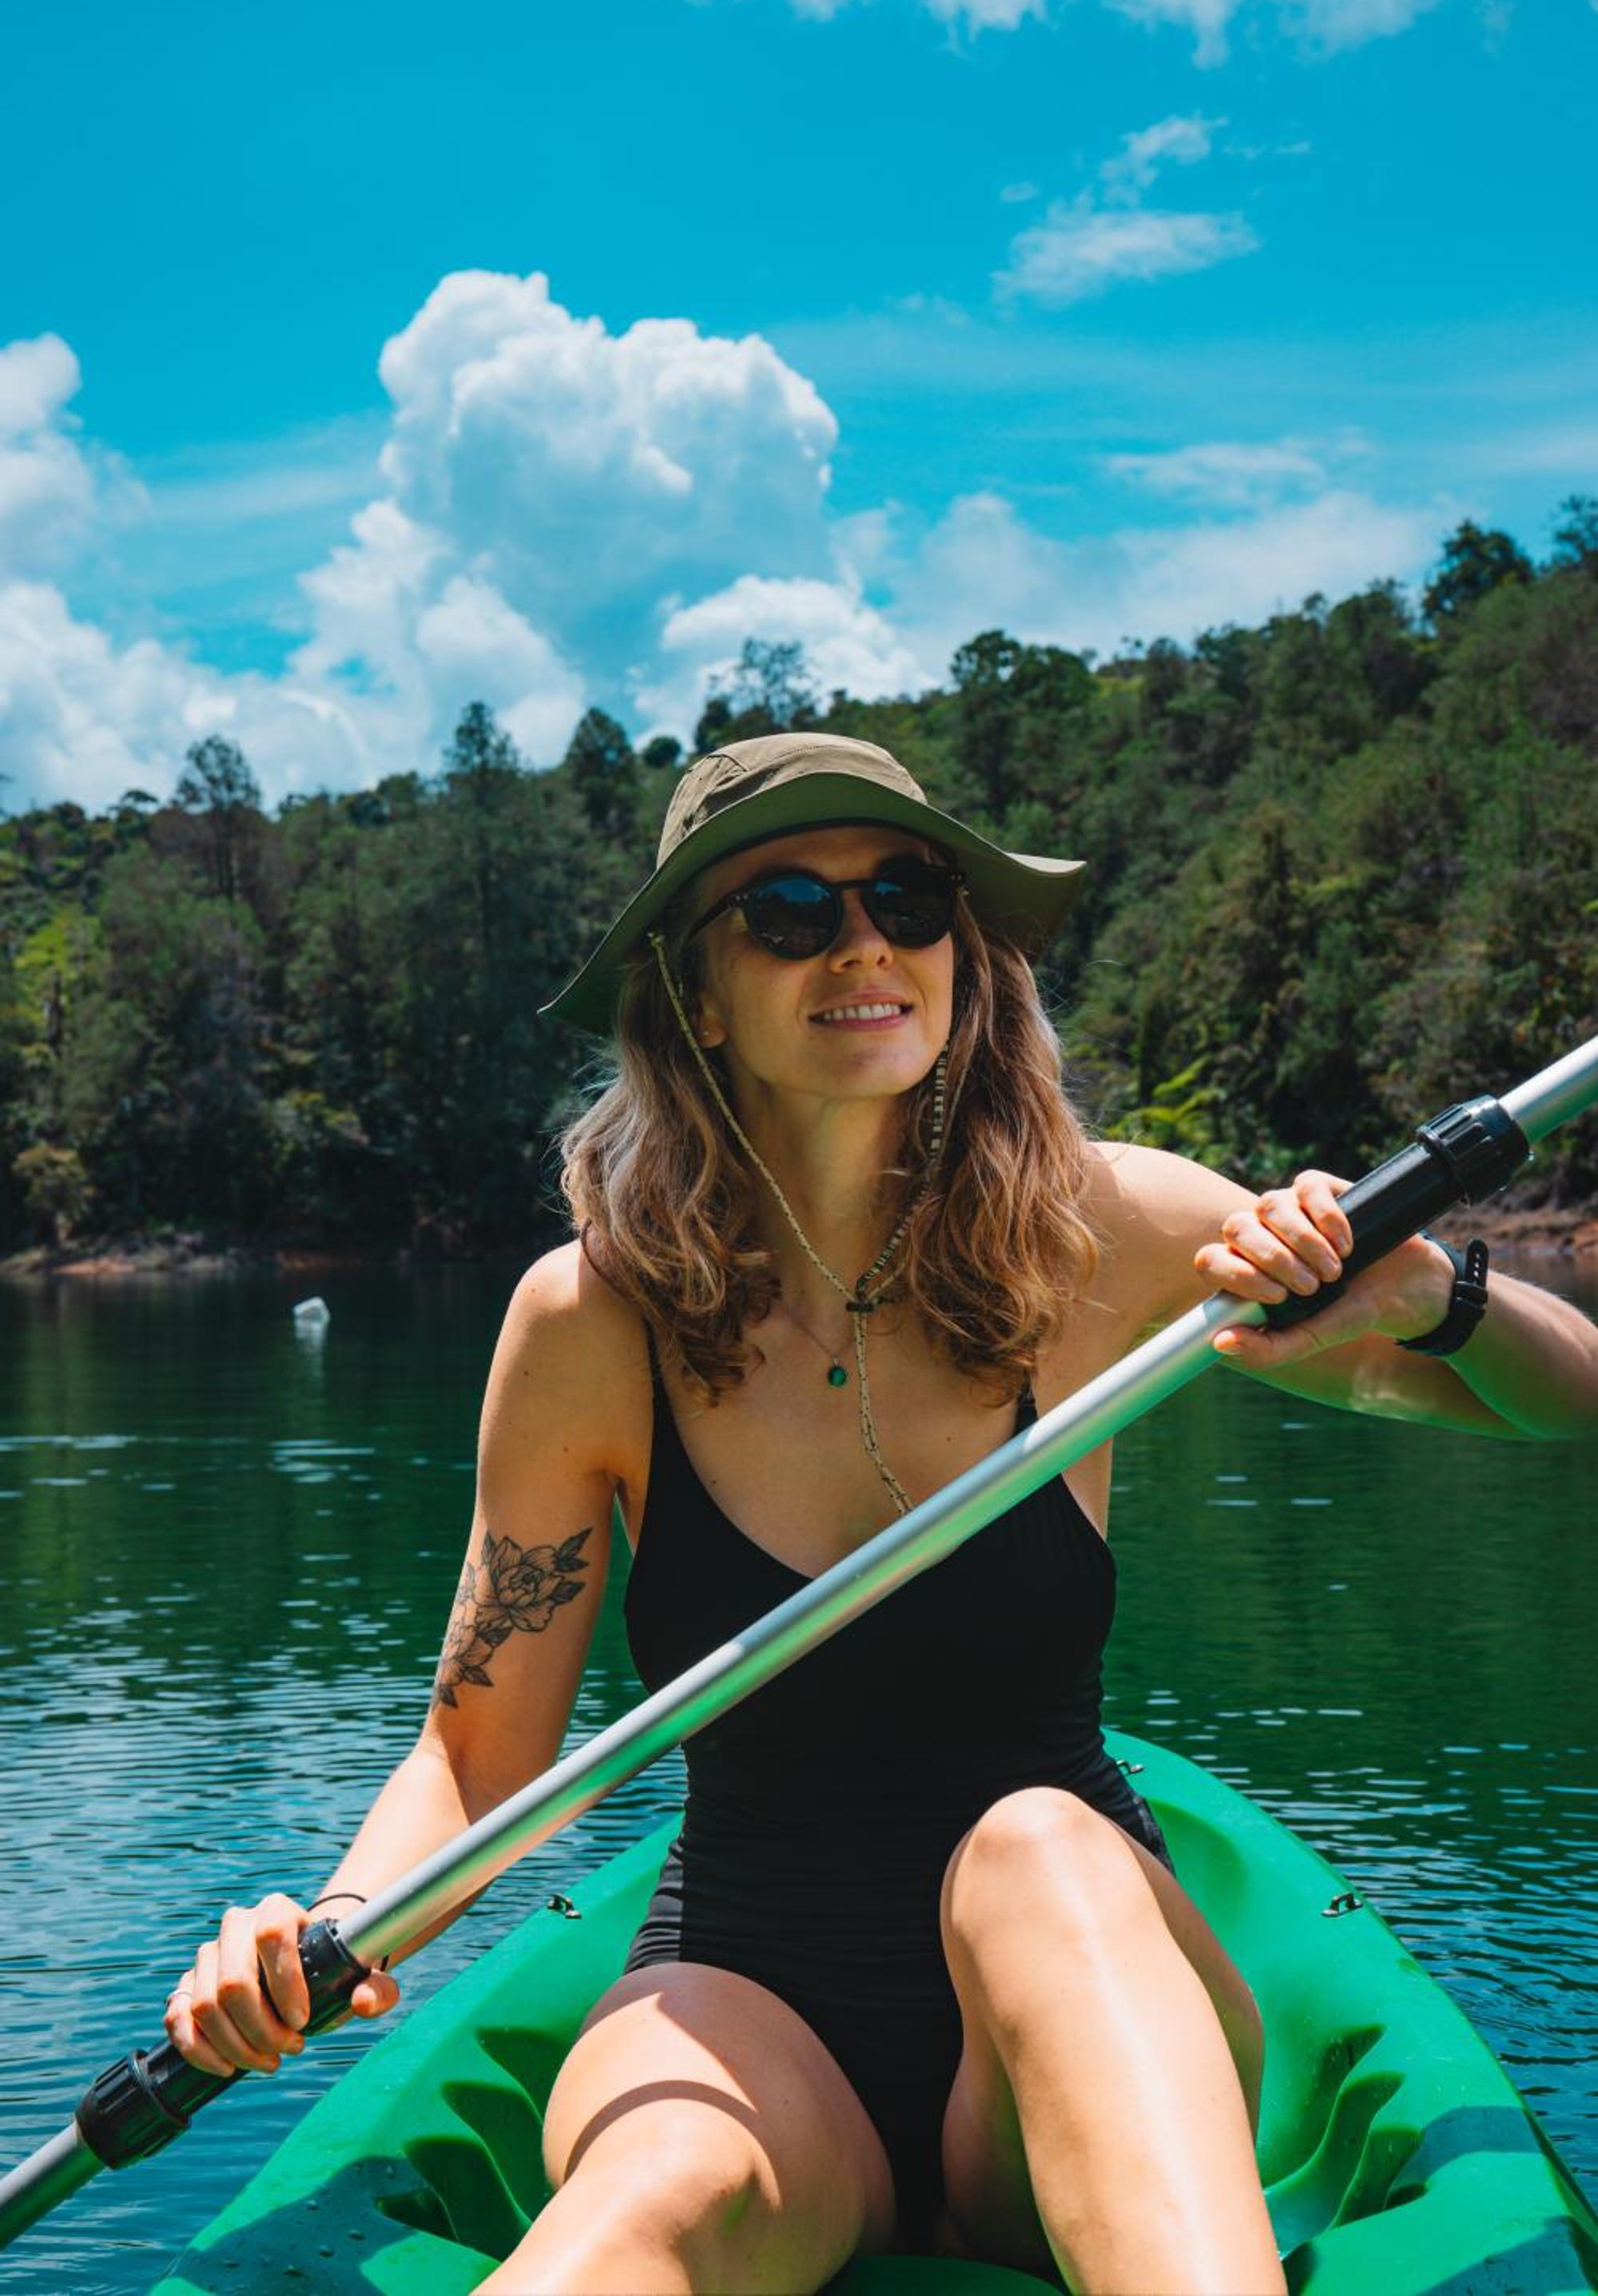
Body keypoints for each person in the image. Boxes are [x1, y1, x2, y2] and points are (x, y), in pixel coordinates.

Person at [165, 733, 1598, 2294]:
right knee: (652, 2196)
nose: (861, 944)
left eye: (906, 898)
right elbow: (476, 1753)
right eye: (788, 909)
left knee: (1037, 1847)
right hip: (747, 2008)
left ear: (959, 959)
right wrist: (330, 1928)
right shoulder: (590, 1321)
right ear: (696, 995)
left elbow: (1570, 1397)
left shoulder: (1107, 1233)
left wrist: (1430, 1298)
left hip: (1075, 1987)